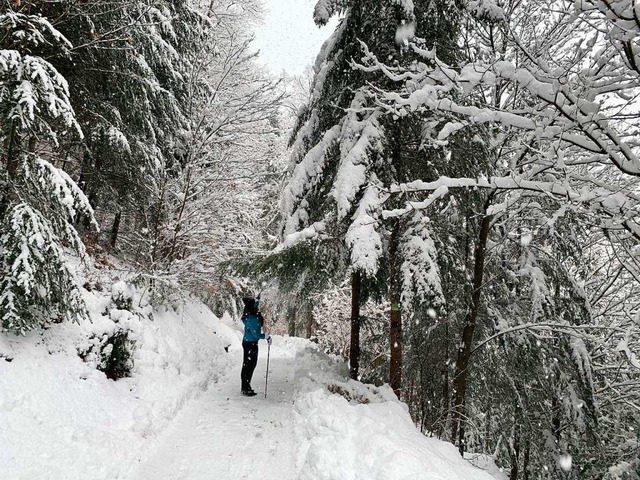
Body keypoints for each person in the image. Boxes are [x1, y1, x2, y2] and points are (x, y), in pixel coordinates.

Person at [240, 295, 271, 396]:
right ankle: (246, 387)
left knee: (247, 364)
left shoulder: (249, 314)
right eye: (254, 304)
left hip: (248, 342)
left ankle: (245, 386)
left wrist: (257, 300)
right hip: (251, 344)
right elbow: (256, 334)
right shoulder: (252, 319)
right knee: (250, 365)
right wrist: (266, 336)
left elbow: (255, 306)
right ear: (252, 307)